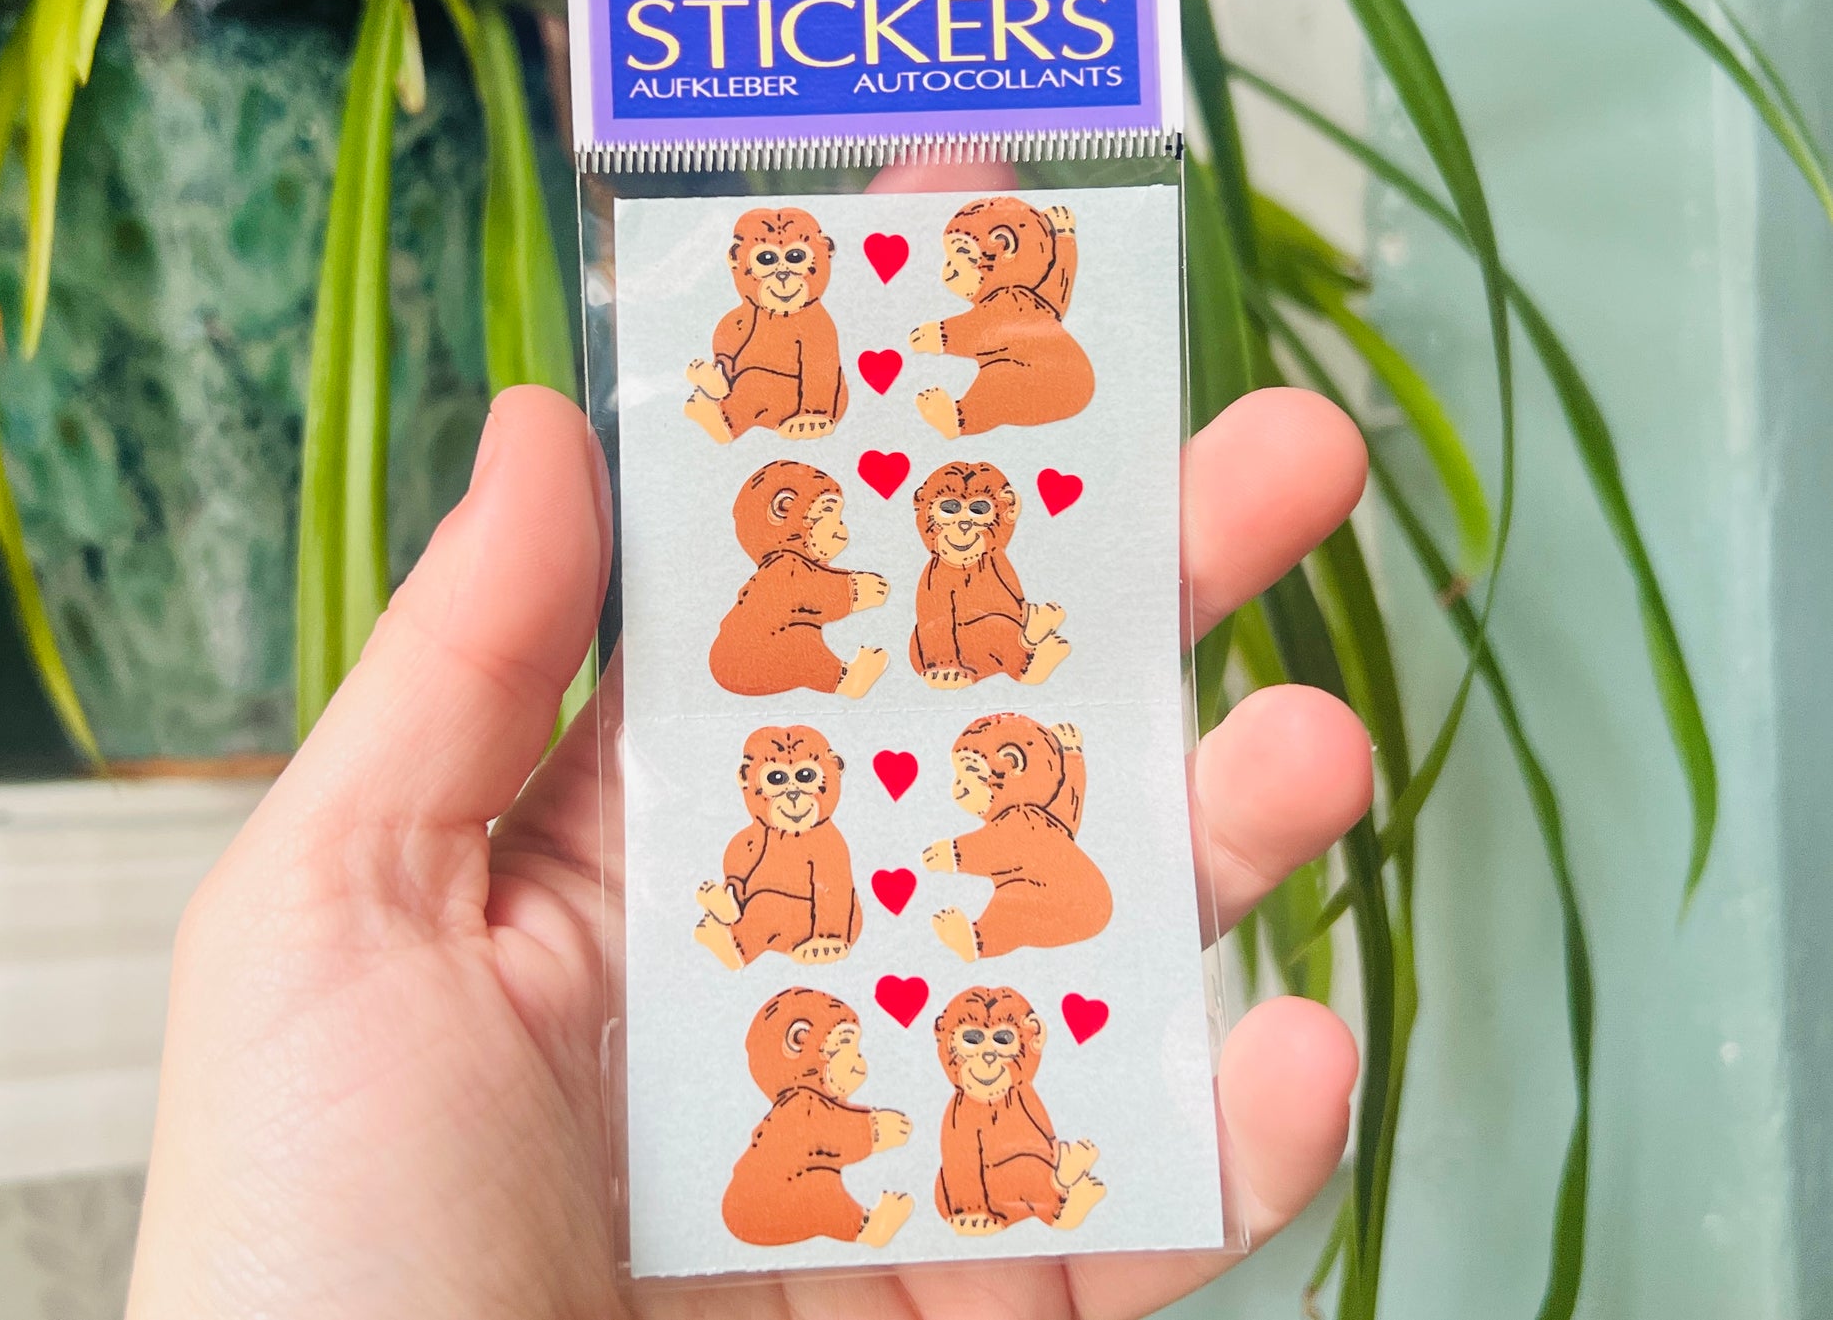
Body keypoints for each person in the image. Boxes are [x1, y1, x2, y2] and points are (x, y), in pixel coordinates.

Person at [126, 283, 1373, 1320]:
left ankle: (1003, 1066)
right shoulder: (780, 591)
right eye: (832, 512)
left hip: (976, 865)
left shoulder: (937, 738)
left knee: (1023, 887)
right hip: (785, 736)